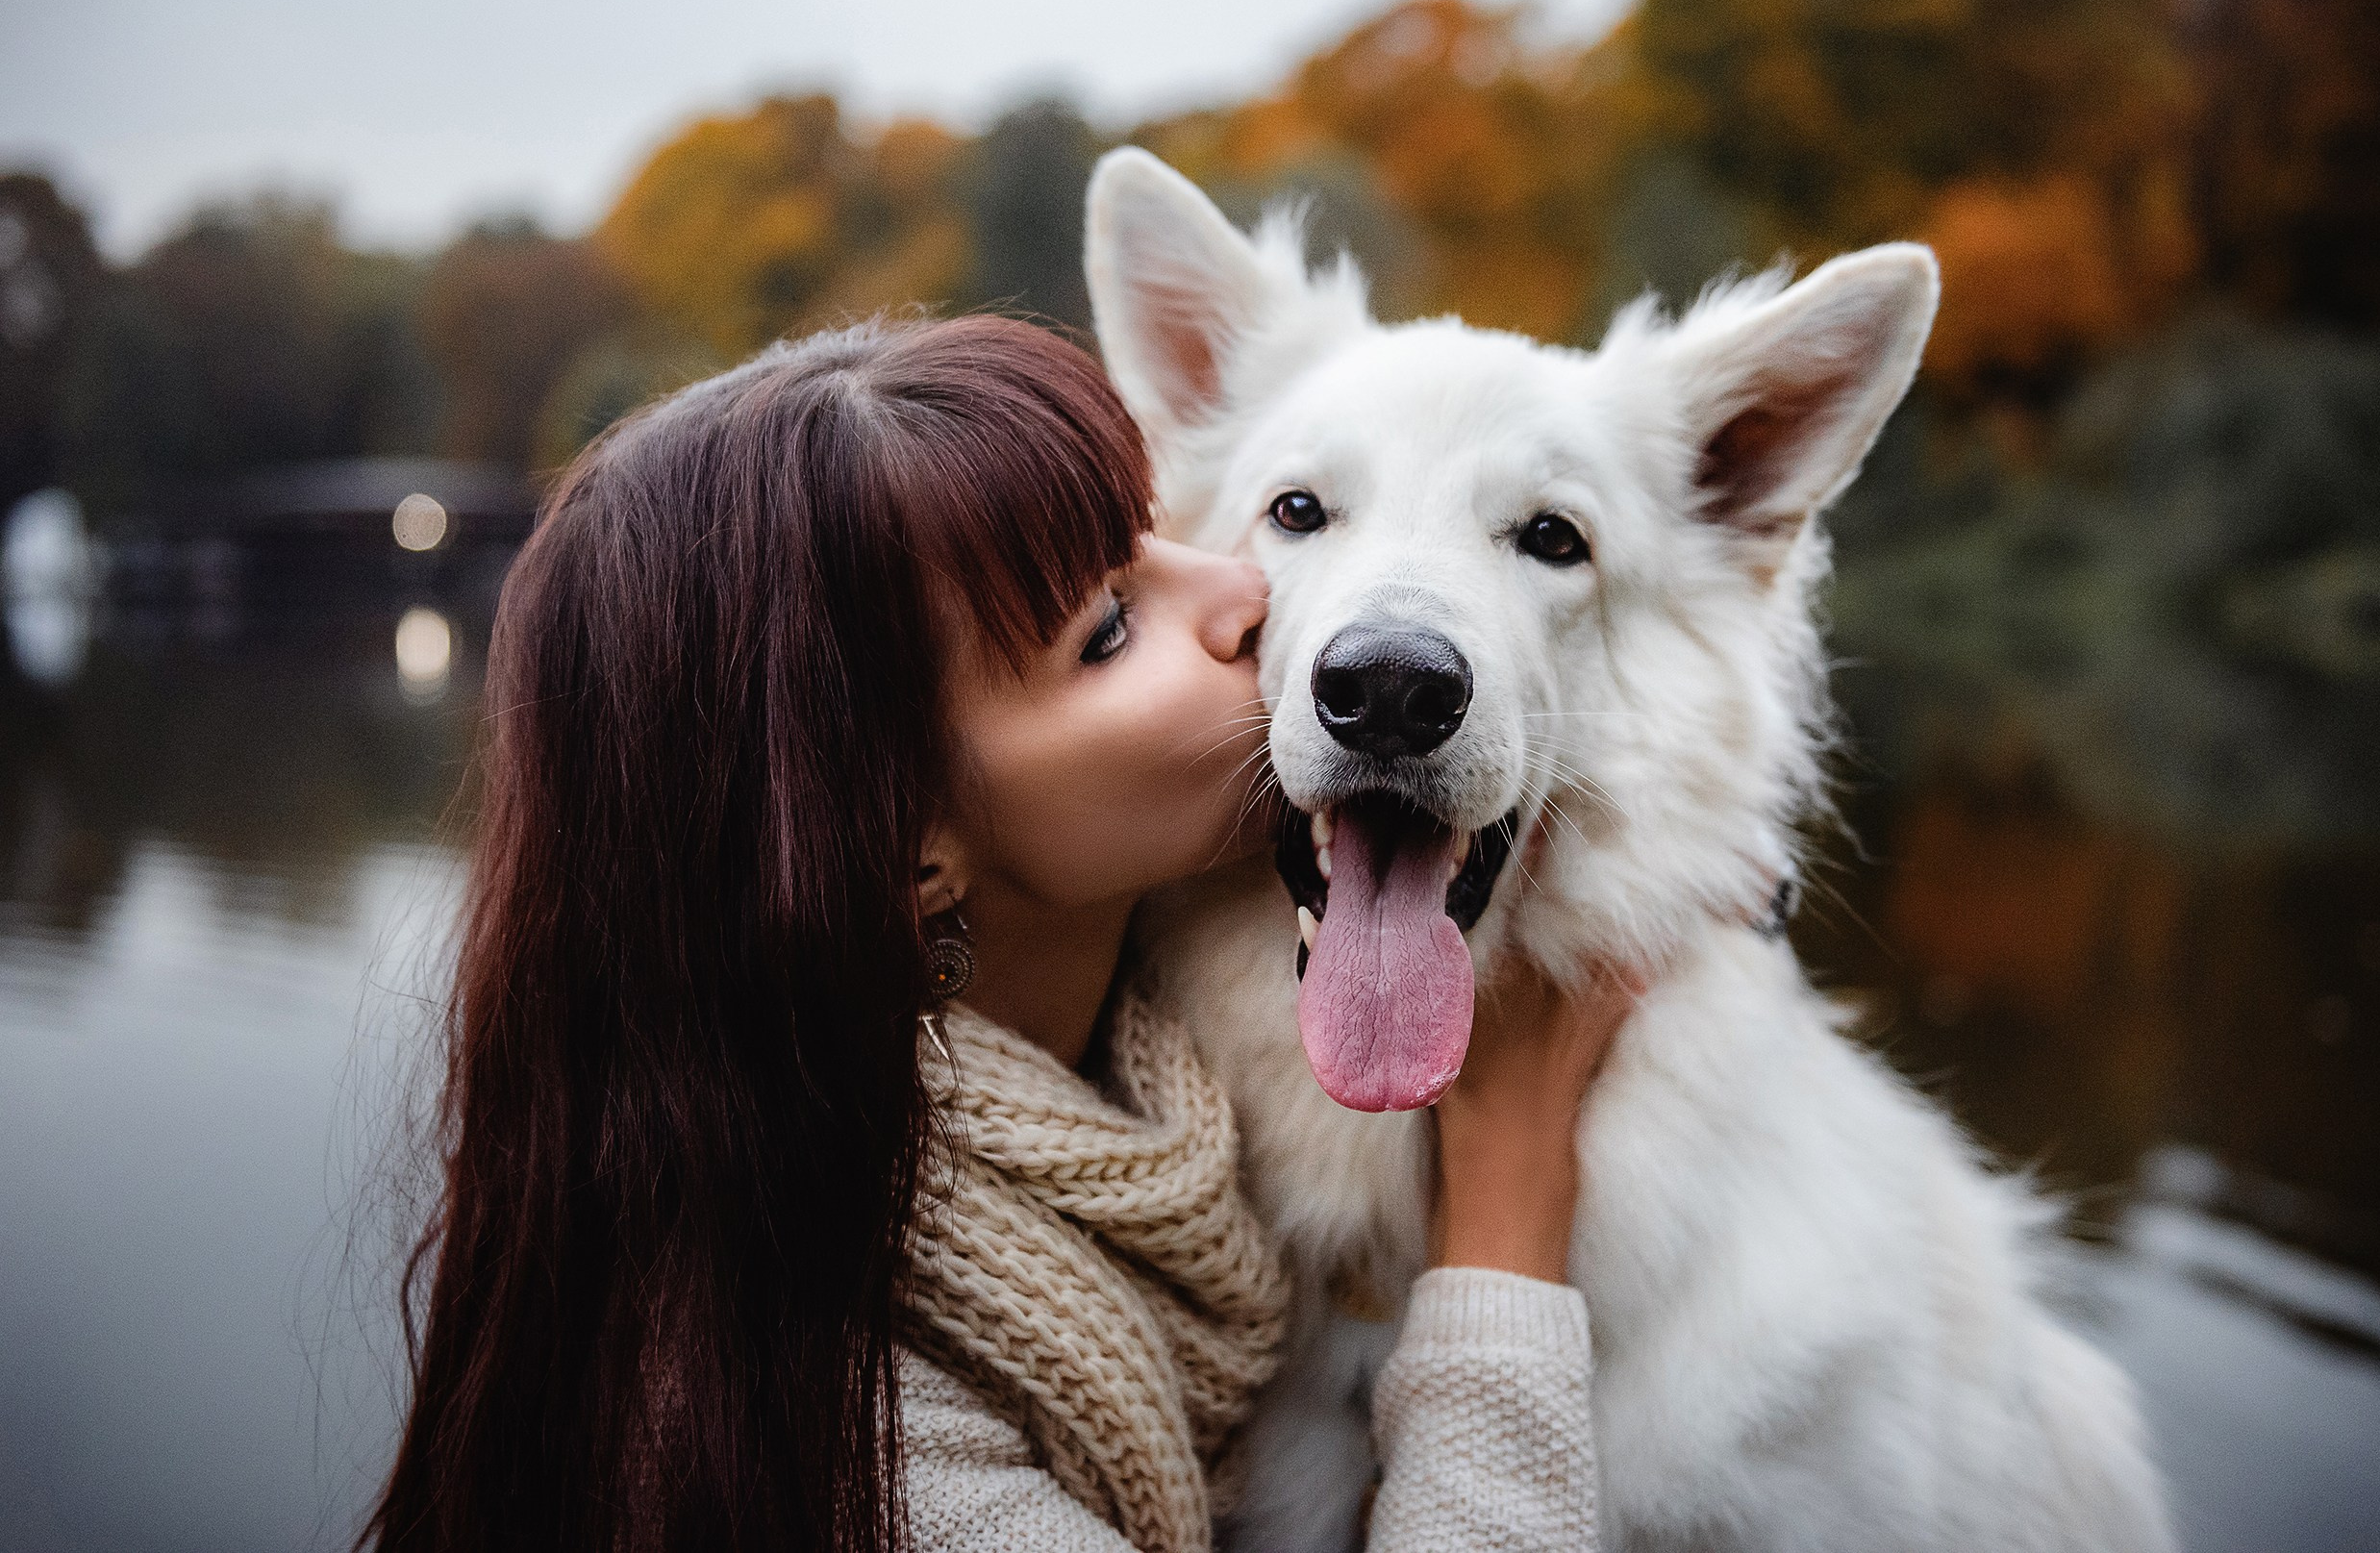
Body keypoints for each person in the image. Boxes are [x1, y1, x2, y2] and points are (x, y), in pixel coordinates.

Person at [362, 313, 1637, 1553]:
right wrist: (1507, 1222)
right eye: (1110, 631)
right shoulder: (860, 1452)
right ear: (907, 854)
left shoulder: (1120, 1110)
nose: (1249, 593)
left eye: (1146, 533)